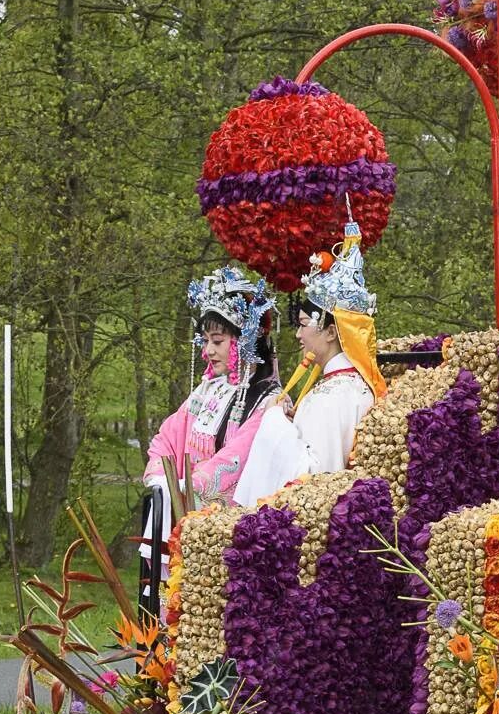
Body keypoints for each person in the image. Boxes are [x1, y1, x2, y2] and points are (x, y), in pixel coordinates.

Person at [140, 265, 281, 582]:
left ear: (244, 340)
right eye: (205, 341)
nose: (207, 351)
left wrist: (187, 490)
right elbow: (167, 439)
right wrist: (162, 481)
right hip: (181, 511)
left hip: (224, 530)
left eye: (217, 341)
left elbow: (236, 458)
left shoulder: (267, 400)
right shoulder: (207, 390)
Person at [235, 221, 386, 504]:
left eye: (304, 324)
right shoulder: (354, 385)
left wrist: (274, 420)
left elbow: (313, 477)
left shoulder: (331, 397)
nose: (298, 334)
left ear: (331, 331)